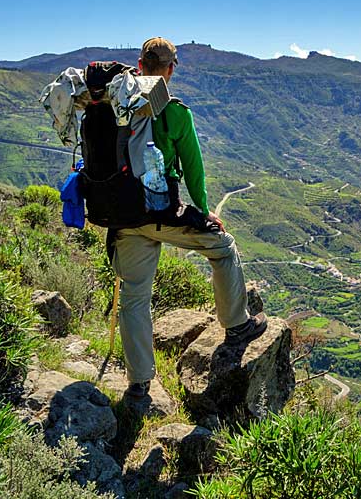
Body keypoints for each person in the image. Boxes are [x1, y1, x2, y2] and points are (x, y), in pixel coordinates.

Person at [113, 37, 267, 398]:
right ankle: (237, 325)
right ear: (170, 70)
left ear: (139, 64)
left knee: (134, 298)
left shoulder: (114, 105)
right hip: (159, 211)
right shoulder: (176, 112)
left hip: (119, 214)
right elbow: (193, 172)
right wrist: (205, 211)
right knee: (223, 248)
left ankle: (138, 384)